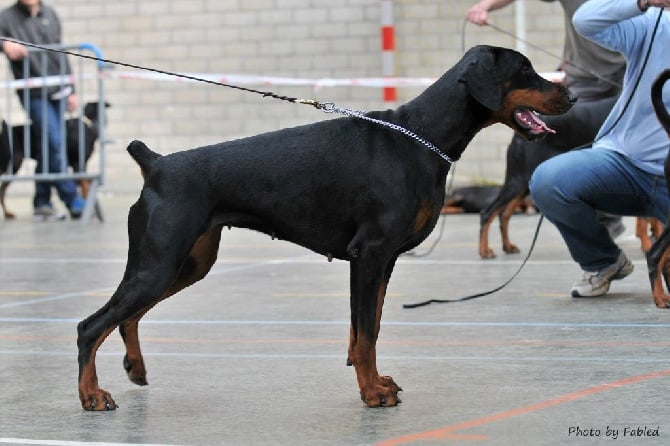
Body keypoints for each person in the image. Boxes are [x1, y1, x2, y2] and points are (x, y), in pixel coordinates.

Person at [529, 0, 670, 297]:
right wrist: (641, 2)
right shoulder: (653, 22)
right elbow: (585, 20)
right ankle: (603, 262)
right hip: (627, 165)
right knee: (548, 181)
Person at [465, 0, 628, 241]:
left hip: (628, 76)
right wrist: (486, 5)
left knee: (630, 151)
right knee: (589, 155)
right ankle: (600, 220)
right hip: (583, 79)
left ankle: (620, 218)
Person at [0, 0, 85, 219]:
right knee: (54, 142)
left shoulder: (50, 13)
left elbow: (61, 51)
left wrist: (71, 88)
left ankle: (41, 201)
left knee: (48, 146)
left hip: (59, 88)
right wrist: (3, 44)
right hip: (34, 92)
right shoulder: (6, 17)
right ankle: (71, 198)